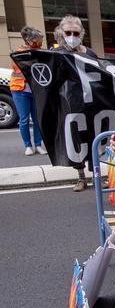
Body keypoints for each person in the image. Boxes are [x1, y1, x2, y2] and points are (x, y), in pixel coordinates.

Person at [54, 15, 98, 191]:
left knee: (93, 137)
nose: (72, 35)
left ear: (82, 33)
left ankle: (95, 175)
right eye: (68, 32)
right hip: (70, 103)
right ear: (61, 33)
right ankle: (81, 178)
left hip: (92, 102)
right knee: (76, 140)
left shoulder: (90, 53)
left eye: (76, 32)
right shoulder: (57, 54)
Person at [10, 26, 47, 156]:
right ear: (29, 40)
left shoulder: (39, 51)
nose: (40, 42)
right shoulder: (19, 53)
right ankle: (28, 145)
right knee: (24, 119)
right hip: (20, 90)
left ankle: (38, 145)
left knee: (37, 119)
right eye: (37, 40)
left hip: (35, 91)